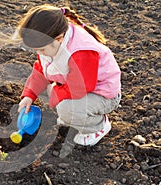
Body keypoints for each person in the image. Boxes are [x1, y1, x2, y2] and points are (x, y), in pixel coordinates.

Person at [16, 5, 121, 146]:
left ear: (58, 38)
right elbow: (41, 70)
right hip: (77, 85)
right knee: (52, 94)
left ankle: (97, 126)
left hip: (103, 94)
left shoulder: (80, 51)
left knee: (66, 108)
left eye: (41, 49)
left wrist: (57, 97)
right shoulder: (50, 42)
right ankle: (75, 115)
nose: (39, 53)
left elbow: (81, 86)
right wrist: (29, 95)